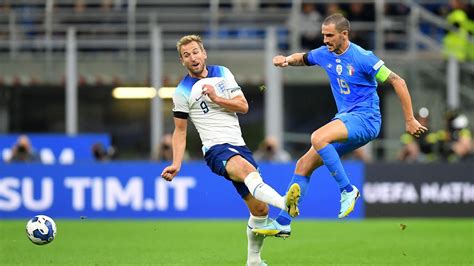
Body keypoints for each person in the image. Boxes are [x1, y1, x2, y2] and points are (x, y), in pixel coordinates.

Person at [253, 13, 427, 237]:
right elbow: (303, 58)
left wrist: (410, 119)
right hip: (346, 118)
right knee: (303, 165)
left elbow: (398, 81)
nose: (325, 40)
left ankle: (347, 190)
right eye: (323, 35)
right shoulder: (325, 54)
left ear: (344, 35)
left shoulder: (364, 57)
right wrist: (285, 60)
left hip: (366, 119)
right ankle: (283, 223)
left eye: (330, 35)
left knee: (318, 137)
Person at [160, 34, 301, 266]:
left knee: (259, 208)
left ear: (204, 53)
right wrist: (176, 163)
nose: (192, 57)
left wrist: (216, 98)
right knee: (247, 171)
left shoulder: (223, 73)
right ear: (182, 61)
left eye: (195, 52)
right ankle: (286, 204)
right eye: (186, 55)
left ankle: (253, 261)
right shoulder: (182, 92)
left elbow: (243, 106)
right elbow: (180, 131)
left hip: (239, 145)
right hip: (216, 150)